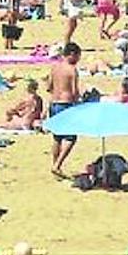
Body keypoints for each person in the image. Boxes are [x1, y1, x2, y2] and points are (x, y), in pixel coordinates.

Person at [46, 42, 82, 177]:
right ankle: (57, 165)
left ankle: (55, 166)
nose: (78, 60)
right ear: (72, 54)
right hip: (66, 104)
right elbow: (74, 92)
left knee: (57, 137)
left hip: (54, 103)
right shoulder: (72, 70)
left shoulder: (55, 67)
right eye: (78, 56)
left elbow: (49, 86)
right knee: (71, 137)